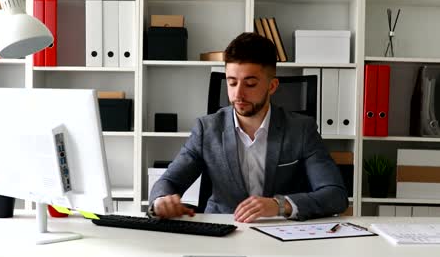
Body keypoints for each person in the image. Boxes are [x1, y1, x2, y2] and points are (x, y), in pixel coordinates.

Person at [148, 32, 348, 222]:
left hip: (280, 232)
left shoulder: (302, 129)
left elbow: (335, 195)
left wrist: (279, 205)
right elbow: (169, 182)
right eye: (232, 82)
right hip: (222, 232)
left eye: (250, 84)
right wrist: (161, 200)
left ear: (272, 86)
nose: (238, 94)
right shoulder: (206, 129)